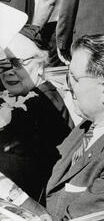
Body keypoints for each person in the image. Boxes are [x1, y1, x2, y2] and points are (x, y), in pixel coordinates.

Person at [0, 33, 104, 221]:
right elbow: (51, 170)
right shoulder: (93, 124)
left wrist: (9, 191)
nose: (67, 87)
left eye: (74, 78)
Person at [0, 33, 72, 202]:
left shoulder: (40, 103)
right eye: (3, 65)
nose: (8, 72)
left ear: (40, 64)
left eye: (17, 63)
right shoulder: (42, 94)